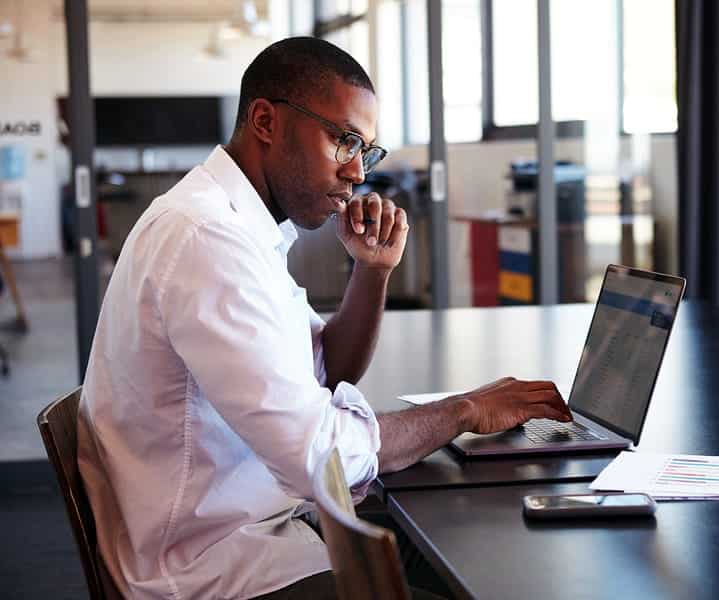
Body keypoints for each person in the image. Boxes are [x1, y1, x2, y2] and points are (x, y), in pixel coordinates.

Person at [77, 37, 571, 600]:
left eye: (368, 151)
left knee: (475, 552)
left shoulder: (240, 227)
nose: (358, 172)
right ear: (265, 120)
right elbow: (320, 458)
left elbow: (329, 366)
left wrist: (373, 270)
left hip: (259, 527)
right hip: (215, 569)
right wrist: (465, 408)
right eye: (345, 141)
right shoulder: (206, 238)